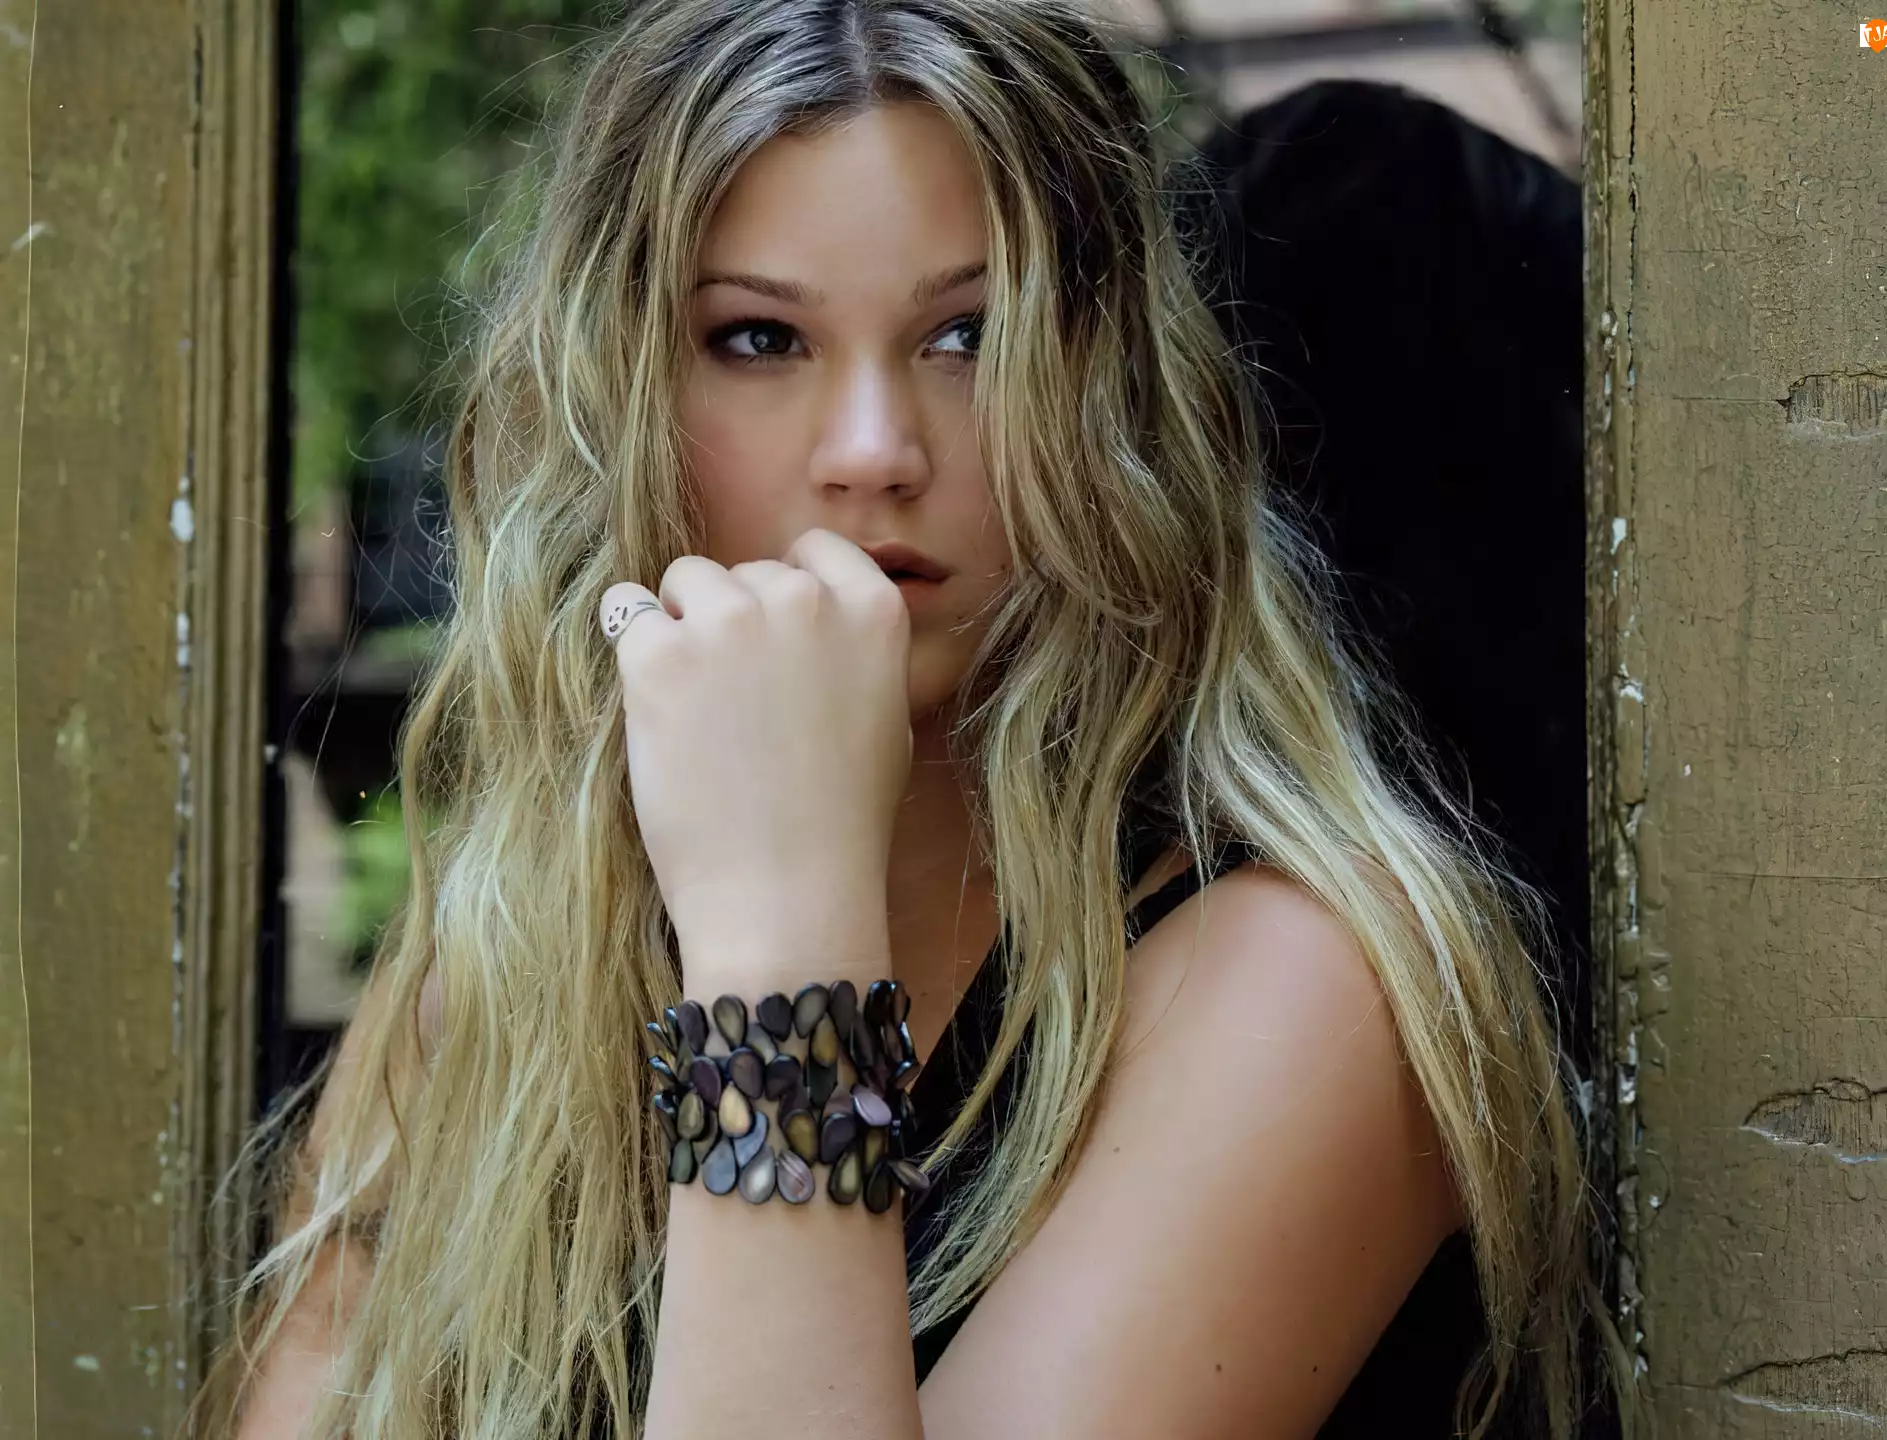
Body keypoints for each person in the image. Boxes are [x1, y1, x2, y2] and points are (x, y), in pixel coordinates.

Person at [194, 1, 1613, 1436]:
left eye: (968, 335)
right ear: (618, 399)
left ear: (1112, 393)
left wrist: (779, 929)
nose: (873, 452)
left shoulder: (1304, 992)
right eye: (759, 337)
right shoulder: (511, 940)